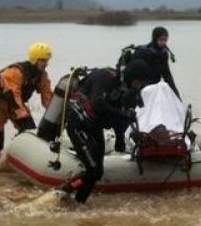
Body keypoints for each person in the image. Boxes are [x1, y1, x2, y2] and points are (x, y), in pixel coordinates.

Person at [59, 59, 151, 204]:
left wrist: (120, 138)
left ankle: (78, 204)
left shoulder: (128, 91)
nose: (140, 86)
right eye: (139, 82)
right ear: (132, 76)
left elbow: (119, 116)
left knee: (97, 173)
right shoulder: (105, 77)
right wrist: (124, 115)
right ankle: (62, 192)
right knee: (93, 170)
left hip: (94, 127)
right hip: (78, 125)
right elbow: (98, 104)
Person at [0, 42, 53, 171]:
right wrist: (21, 113)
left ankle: (20, 159)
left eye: (47, 61)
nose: (46, 63)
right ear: (35, 59)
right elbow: (13, 95)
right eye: (43, 61)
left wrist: (59, 111)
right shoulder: (15, 72)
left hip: (16, 104)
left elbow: (47, 99)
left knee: (30, 132)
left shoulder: (42, 76)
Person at [130, 26, 180, 99]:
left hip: (155, 87)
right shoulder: (142, 51)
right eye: (161, 40)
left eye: (165, 40)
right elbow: (132, 72)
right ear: (155, 38)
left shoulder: (163, 54)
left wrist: (176, 94)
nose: (163, 43)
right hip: (141, 87)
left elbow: (167, 75)